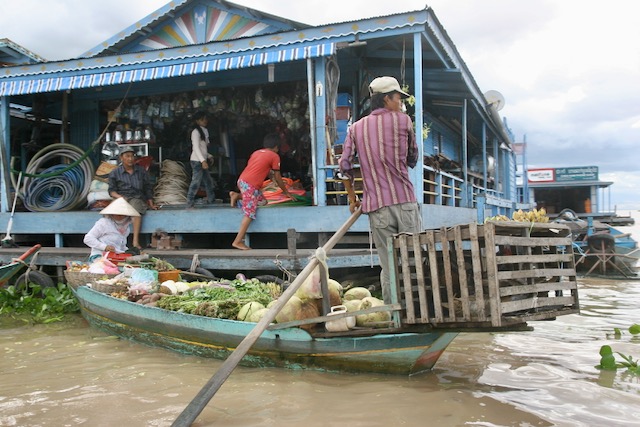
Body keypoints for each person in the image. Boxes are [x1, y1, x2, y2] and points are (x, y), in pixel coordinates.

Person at [338, 76, 422, 304]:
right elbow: (413, 157)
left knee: (389, 266)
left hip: (377, 208)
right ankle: (418, 311)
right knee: (413, 261)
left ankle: (394, 314)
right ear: (386, 99)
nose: (401, 104)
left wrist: (353, 199)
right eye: (398, 99)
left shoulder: (356, 128)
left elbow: (344, 166)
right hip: (405, 202)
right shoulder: (403, 121)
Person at [229, 133, 294, 250]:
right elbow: (278, 176)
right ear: (276, 147)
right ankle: (238, 241)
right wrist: (285, 191)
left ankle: (237, 195)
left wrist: (272, 179)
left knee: (262, 201)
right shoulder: (274, 156)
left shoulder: (256, 153)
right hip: (251, 185)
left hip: (243, 181)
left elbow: (264, 169)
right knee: (249, 213)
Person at [108, 145, 158, 250]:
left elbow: (147, 188)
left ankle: (135, 241)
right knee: (110, 214)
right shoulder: (115, 173)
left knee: (135, 211)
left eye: (132, 156)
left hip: (136, 197)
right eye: (127, 156)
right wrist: (119, 197)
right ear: (121, 158)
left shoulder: (141, 171)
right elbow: (111, 191)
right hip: (121, 198)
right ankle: (113, 242)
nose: (130, 159)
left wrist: (151, 203)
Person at [83, 197, 140, 262]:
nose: (118, 216)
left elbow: (121, 246)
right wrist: (104, 247)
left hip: (115, 257)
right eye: (116, 214)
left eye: (121, 214)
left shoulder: (126, 228)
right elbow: (88, 239)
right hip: (99, 256)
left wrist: (131, 253)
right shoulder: (104, 223)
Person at [186, 111, 216, 208]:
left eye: (205, 119)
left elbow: (203, 148)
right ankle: (189, 202)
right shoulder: (195, 132)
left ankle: (211, 200)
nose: (205, 121)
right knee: (196, 182)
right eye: (203, 119)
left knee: (208, 181)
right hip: (196, 161)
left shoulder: (204, 131)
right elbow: (196, 148)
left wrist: (208, 156)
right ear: (197, 121)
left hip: (202, 159)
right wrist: (203, 160)